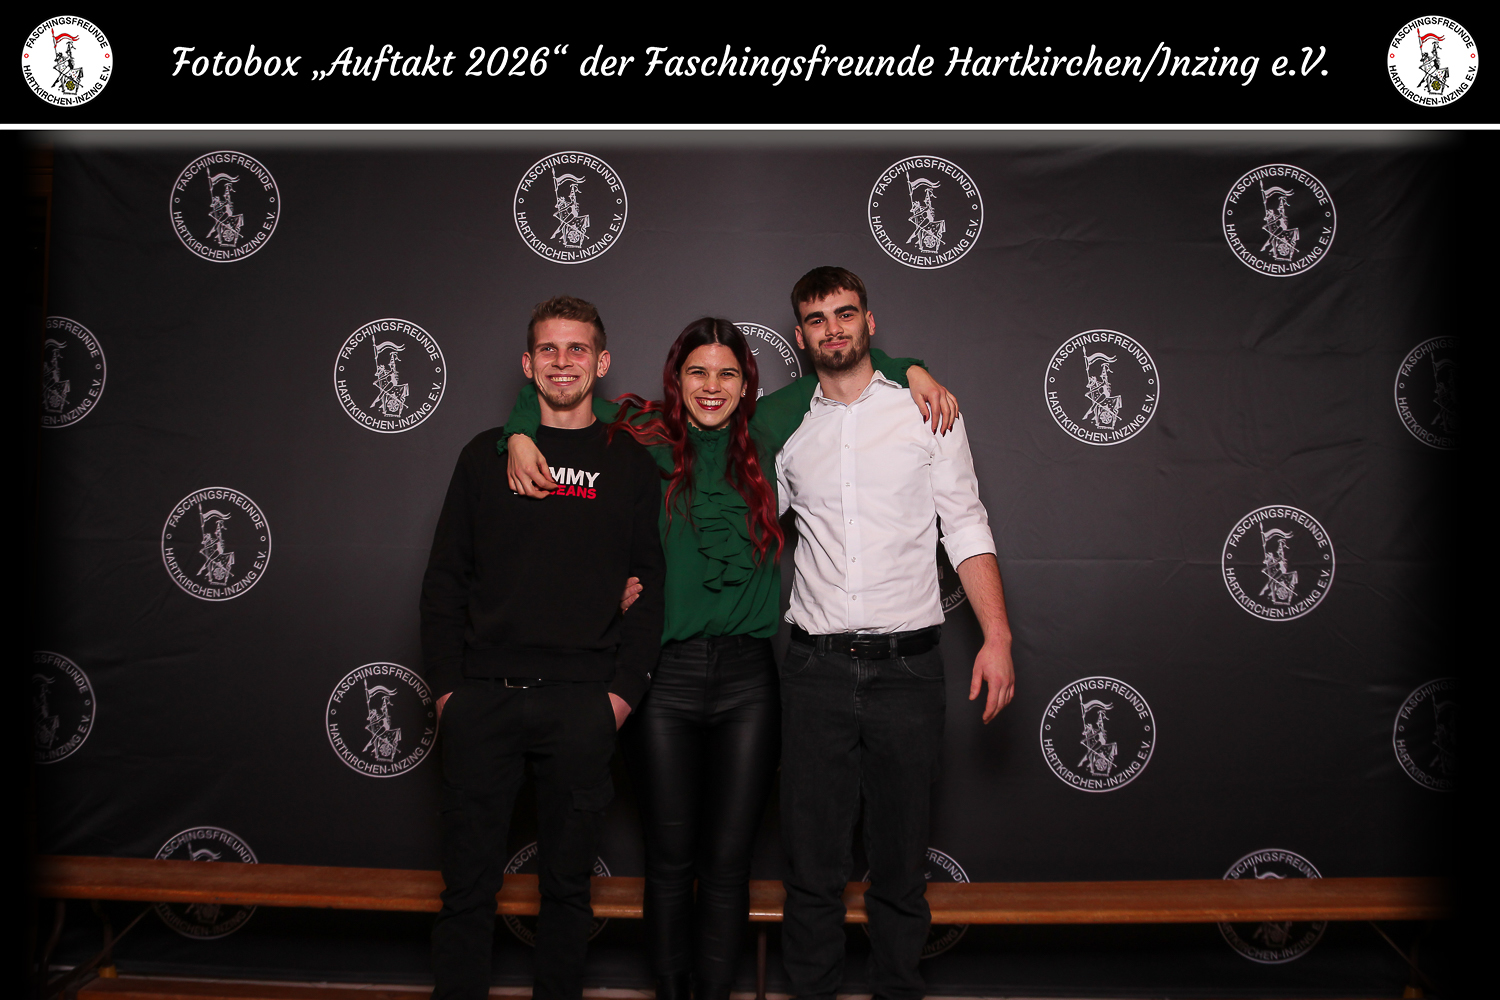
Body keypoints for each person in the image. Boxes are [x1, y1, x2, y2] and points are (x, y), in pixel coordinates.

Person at [502, 319, 958, 1000]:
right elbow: (558, 394)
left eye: (727, 373)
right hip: (663, 678)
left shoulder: (769, 429)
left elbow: (847, 363)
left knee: (727, 863)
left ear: (748, 385)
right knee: (668, 860)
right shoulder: (642, 431)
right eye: (697, 372)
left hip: (749, 681)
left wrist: (912, 366)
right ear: (675, 379)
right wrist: (517, 432)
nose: (711, 386)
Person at [775, 266, 1015, 1000]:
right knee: (812, 870)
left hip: (907, 671)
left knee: (902, 869)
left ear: (869, 323)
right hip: (814, 670)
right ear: (800, 336)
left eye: (845, 313)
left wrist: (998, 638)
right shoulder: (785, 427)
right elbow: (731, 509)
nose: (833, 329)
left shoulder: (926, 408)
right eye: (817, 319)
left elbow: (965, 523)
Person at [420, 295, 666, 1000]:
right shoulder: (484, 456)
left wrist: (618, 699)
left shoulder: (630, 464)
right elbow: (445, 581)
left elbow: (649, 586)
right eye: (549, 350)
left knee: (567, 892)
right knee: (467, 891)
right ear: (528, 365)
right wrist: (449, 691)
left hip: (582, 706)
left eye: (577, 348)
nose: (563, 362)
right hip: (483, 701)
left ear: (602, 362)